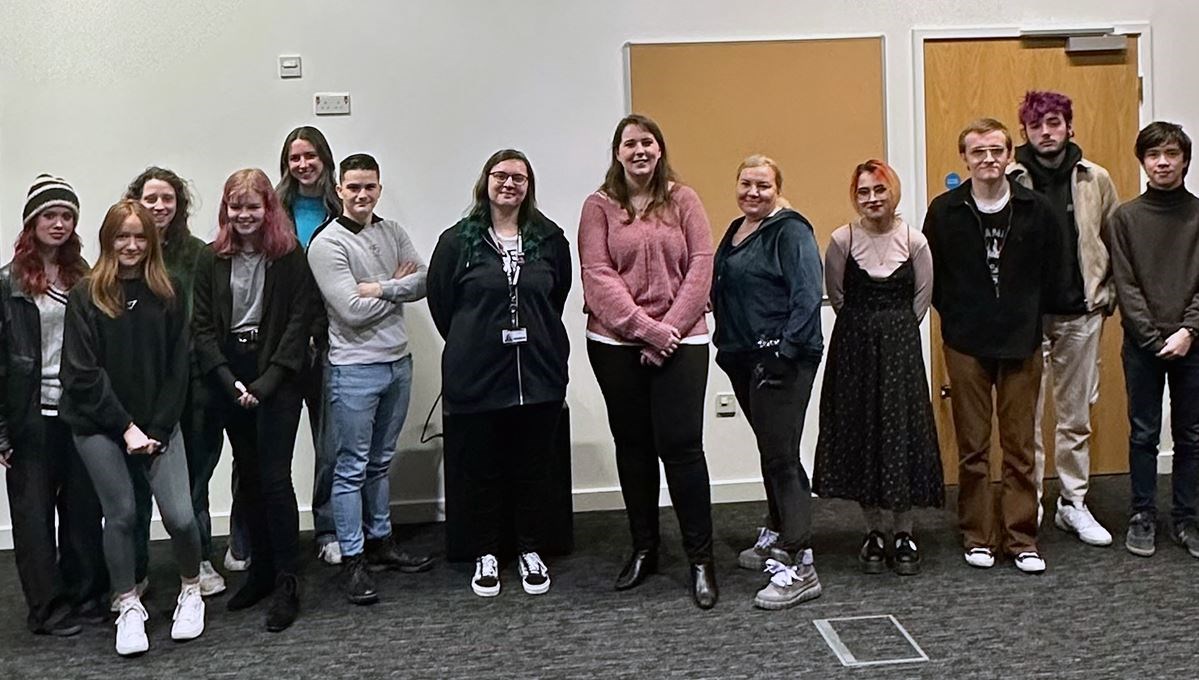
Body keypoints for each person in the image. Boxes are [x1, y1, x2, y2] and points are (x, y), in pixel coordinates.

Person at [579, 114, 717, 609]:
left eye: (647, 142)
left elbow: (702, 264)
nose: (639, 150)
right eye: (629, 143)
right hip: (616, 344)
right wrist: (646, 329)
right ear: (617, 152)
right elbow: (596, 273)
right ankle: (645, 548)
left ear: (660, 150)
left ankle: (701, 558)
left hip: (683, 343)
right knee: (634, 447)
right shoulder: (599, 207)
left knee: (682, 448)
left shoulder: (684, 199)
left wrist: (670, 331)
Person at [60, 200, 204, 655]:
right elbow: (81, 373)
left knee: (180, 516)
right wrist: (125, 428)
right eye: (122, 236)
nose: (131, 245)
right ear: (108, 239)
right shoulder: (86, 294)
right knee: (120, 514)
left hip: (158, 423)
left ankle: (191, 590)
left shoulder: (170, 291)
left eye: (140, 236)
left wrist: (157, 428)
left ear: (152, 241)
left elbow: (179, 366)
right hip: (100, 425)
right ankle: (128, 606)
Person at [428, 149, 572, 597]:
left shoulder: (549, 239)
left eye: (519, 178)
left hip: (539, 376)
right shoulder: (458, 241)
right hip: (477, 377)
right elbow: (441, 304)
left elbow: (557, 295)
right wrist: (477, 339)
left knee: (533, 469)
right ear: (485, 182)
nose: (509, 184)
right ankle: (485, 553)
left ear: (529, 187)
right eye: (501, 175)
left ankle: (531, 550)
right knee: (481, 470)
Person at [923, 118, 1060, 574]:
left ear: (1010, 155)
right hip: (966, 343)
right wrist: (958, 318)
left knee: (1021, 446)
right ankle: (978, 535)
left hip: (1022, 342)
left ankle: (1022, 538)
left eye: (997, 150)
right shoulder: (944, 212)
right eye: (978, 152)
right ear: (965, 158)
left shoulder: (1036, 209)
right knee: (974, 447)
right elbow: (932, 279)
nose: (988, 159)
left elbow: (1054, 274)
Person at [308, 154, 434, 605]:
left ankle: (381, 541)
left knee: (381, 461)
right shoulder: (327, 244)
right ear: (339, 189)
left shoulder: (393, 232)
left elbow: (423, 282)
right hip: (354, 369)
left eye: (370, 187)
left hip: (398, 362)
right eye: (354, 187)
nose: (362, 195)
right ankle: (354, 557)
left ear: (379, 188)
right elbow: (350, 311)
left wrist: (378, 287)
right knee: (350, 468)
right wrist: (395, 286)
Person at [192, 169, 314, 630]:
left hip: (276, 376)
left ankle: (287, 580)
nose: (244, 216)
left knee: (275, 478)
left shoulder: (289, 257)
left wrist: (265, 384)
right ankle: (261, 571)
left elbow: (299, 323)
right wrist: (229, 382)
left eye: (253, 207)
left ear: (269, 209)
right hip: (229, 377)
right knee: (248, 479)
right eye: (235, 207)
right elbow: (202, 328)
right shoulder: (210, 260)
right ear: (226, 210)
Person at [815, 160, 943, 576]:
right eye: (864, 192)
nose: (872, 199)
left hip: (901, 351)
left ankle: (904, 531)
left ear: (894, 192)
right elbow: (837, 294)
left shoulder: (916, 242)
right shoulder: (841, 240)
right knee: (863, 434)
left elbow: (921, 301)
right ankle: (873, 530)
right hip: (854, 350)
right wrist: (868, 327)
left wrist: (892, 330)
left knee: (900, 433)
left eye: (879, 190)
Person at [1007, 91, 1120, 546]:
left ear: (1069, 126)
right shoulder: (1011, 177)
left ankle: (1073, 503)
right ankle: (1029, 499)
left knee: (1075, 418)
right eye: (1036, 126)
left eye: (1054, 122)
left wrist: (1107, 292)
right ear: (1025, 133)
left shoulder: (1096, 178)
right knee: (1027, 418)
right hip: (1027, 320)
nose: (1046, 132)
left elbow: (1113, 237)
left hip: (1080, 313)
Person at [711, 155, 822, 610]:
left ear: (778, 189)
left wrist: (786, 352)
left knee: (781, 457)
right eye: (745, 184)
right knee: (770, 450)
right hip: (744, 357)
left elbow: (807, 293)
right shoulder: (738, 229)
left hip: (783, 360)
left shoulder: (791, 230)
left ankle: (801, 565)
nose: (752, 192)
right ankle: (777, 534)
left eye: (762, 185)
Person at [0, 175, 107, 635]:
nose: (59, 224)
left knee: (83, 510)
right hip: (29, 417)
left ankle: (85, 595)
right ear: (32, 222)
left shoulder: (82, 275)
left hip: (77, 411)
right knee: (33, 518)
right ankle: (47, 609)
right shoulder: (8, 283)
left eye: (67, 216)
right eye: (50, 216)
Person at [124, 166, 234, 603]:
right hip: (140, 389)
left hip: (195, 384)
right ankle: (135, 570)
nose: (159, 206)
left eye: (167, 199)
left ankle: (200, 559)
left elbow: (206, 318)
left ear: (179, 205)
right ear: (136, 202)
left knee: (194, 481)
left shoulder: (199, 255)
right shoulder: (124, 255)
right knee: (137, 485)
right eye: (150, 198)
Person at [1108, 121, 1199, 560]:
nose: (1162, 162)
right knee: (1143, 433)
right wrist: (1150, 336)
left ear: (1184, 159)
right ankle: (1142, 514)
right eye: (1153, 155)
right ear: (1142, 161)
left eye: (1171, 154)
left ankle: (1187, 517)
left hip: (1193, 343)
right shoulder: (1124, 218)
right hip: (1142, 344)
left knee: (1192, 435)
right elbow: (1125, 284)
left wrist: (1189, 331)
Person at [275, 127, 342, 565]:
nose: (303, 164)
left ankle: (329, 528)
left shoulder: (342, 209)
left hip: (328, 340)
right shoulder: (272, 211)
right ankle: (247, 535)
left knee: (330, 443)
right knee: (262, 447)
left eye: (310, 156)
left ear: (325, 160)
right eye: (295, 157)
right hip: (279, 343)